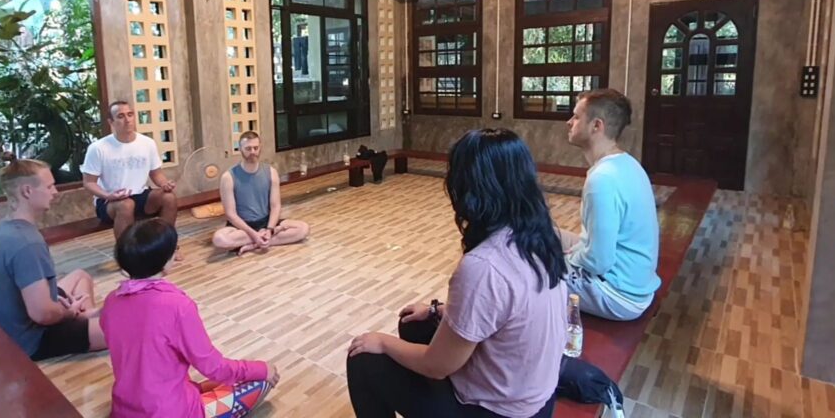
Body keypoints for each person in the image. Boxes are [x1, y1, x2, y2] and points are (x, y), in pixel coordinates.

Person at [346, 129, 568, 418]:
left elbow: (435, 366)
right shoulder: (540, 237)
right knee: (415, 325)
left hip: (497, 411)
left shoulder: (484, 265)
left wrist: (383, 342)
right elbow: (508, 308)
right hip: (536, 400)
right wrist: (438, 310)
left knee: (363, 357)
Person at [100, 218, 279, 418]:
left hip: (124, 410)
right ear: (165, 260)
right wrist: (262, 369)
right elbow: (214, 367)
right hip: (170, 412)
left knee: (217, 380)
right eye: (175, 250)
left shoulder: (111, 301)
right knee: (261, 379)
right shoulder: (177, 306)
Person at [0, 159, 106, 361]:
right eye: (49, 186)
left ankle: (87, 317)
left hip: (17, 322)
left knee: (80, 276)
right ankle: (85, 319)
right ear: (27, 191)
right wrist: (68, 314)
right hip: (32, 339)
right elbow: (42, 314)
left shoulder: (4, 229)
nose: (55, 192)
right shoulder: (27, 243)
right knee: (127, 328)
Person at [562, 89, 661, 321]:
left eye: (576, 117)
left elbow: (598, 261)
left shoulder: (602, 180)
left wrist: (568, 259)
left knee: (525, 269)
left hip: (618, 294)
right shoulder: (627, 163)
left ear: (597, 126)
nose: (569, 122)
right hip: (632, 279)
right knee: (546, 234)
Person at [82, 100, 177, 238]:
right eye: (120, 116)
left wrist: (164, 184)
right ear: (111, 122)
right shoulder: (98, 148)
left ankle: (168, 246)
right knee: (126, 205)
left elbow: (156, 174)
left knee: (169, 198)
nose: (127, 120)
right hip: (109, 200)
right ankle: (126, 255)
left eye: (130, 115)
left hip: (140, 195)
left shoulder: (147, 143)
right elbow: (89, 183)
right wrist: (108, 195)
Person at [211, 131, 310, 255]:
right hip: (241, 227)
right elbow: (231, 214)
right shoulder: (228, 177)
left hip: (266, 223)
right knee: (220, 239)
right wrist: (253, 233)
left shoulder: (271, 172)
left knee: (303, 229)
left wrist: (269, 229)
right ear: (240, 149)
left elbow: (275, 206)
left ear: (260, 148)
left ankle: (254, 243)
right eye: (248, 148)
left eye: (255, 148)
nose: (252, 151)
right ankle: (260, 240)